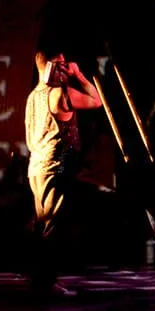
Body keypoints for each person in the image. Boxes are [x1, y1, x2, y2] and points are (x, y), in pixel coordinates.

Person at [25, 49, 104, 296]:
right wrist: (79, 75)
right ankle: (45, 282)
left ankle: (42, 279)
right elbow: (97, 100)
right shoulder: (59, 94)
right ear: (50, 67)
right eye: (60, 64)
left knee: (44, 224)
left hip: (37, 167)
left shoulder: (33, 96)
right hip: (53, 166)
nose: (65, 68)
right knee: (50, 227)